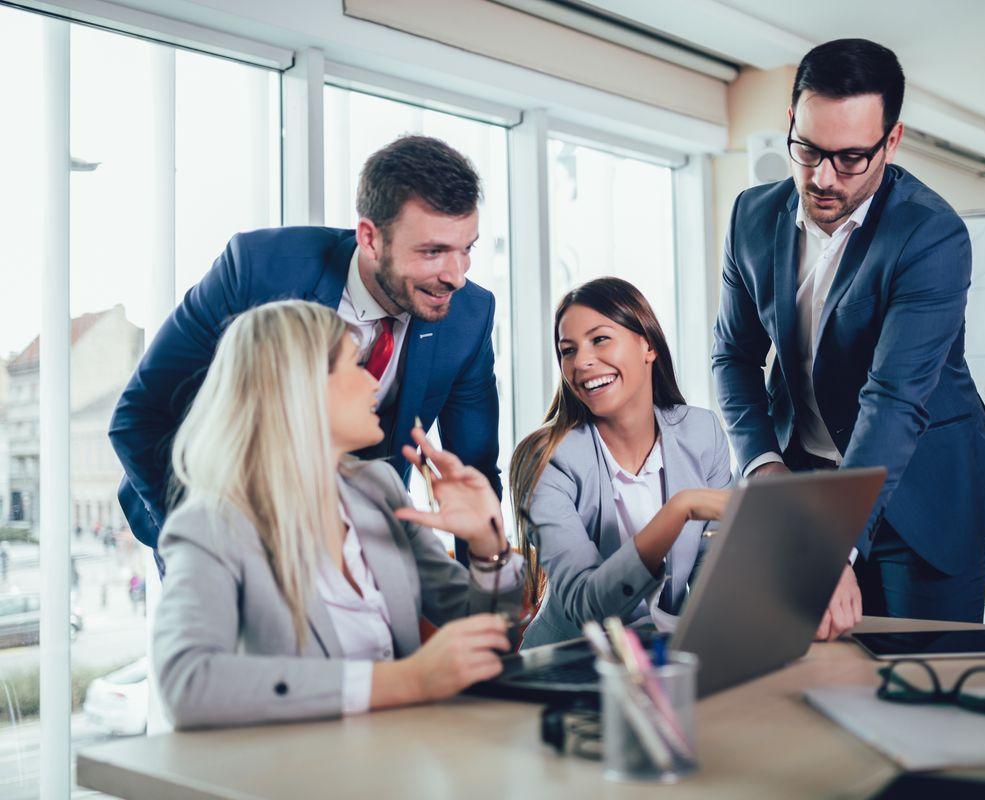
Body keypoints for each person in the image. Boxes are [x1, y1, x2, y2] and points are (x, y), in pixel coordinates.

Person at [712, 38, 985, 626]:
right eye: (807, 149)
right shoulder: (750, 218)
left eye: (851, 157)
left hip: (923, 497)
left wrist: (835, 546)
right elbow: (733, 356)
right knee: (809, 686)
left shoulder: (931, 236)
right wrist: (765, 468)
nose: (824, 178)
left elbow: (894, 398)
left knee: (922, 695)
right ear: (790, 122)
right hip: (802, 489)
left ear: (891, 141)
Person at [110, 136, 501, 567]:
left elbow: (473, 472)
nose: (457, 276)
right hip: (227, 532)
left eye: (467, 249)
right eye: (433, 252)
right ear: (370, 239)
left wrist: (482, 592)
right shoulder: (259, 269)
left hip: (362, 542)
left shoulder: (468, 316)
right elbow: (141, 417)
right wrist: (206, 551)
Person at [153, 300, 522, 729]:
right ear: (301, 386)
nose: (374, 382)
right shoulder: (210, 526)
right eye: (355, 364)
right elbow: (188, 684)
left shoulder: (379, 490)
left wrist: (486, 545)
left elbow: (494, 644)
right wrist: (406, 681)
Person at [511, 278, 731, 649]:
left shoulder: (702, 432)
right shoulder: (545, 459)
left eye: (599, 339)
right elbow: (586, 606)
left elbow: (717, 569)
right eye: (568, 350)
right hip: (571, 667)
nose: (581, 362)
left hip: (667, 661)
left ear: (648, 345)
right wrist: (678, 510)